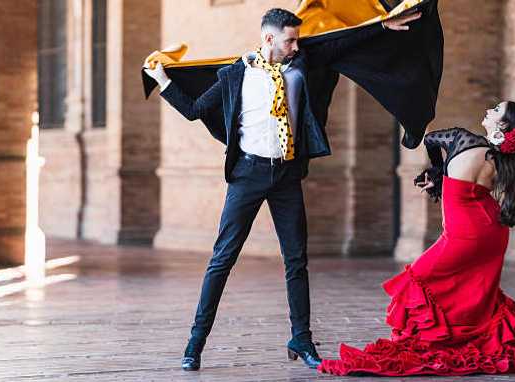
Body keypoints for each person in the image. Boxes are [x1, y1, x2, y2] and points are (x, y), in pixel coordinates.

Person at [143, 8, 421, 371]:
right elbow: (195, 110)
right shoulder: (236, 74)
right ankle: (195, 343)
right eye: (290, 40)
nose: (296, 46)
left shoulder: (300, 65)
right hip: (247, 174)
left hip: (286, 175)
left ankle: (301, 339)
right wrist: (162, 80)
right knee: (222, 259)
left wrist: (381, 26)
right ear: (269, 38)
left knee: (296, 260)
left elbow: (339, 43)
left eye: (297, 40)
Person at [318, 101, 515, 376]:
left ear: (502, 124)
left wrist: (438, 171)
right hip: (492, 233)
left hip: (464, 235)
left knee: (417, 278)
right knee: (474, 291)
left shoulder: (462, 138)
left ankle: (434, 341)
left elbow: (429, 140)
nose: (488, 110)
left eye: (495, 110)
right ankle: (462, 340)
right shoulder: (505, 160)